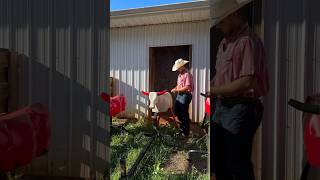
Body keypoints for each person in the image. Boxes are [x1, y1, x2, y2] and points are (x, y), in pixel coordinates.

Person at [210, 0, 269, 180]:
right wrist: (210, 86)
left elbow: (246, 82)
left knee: (237, 162)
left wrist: (215, 89)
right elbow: (220, 75)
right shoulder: (224, 44)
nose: (219, 26)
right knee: (218, 159)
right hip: (223, 106)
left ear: (234, 15)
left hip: (241, 106)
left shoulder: (247, 41)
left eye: (222, 21)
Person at [171, 58, 193, 137]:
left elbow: (187, 87)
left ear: (182, 66)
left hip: (186, 95)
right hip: (180, 94)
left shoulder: (187, 74)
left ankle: (186, 132)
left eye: (178, 68)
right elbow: (179, 85)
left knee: (184, 113)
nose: (177, 70)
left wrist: (177, 90)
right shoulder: (180, 75)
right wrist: (175, 88)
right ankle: (182, 128)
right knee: (176, 110)